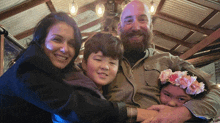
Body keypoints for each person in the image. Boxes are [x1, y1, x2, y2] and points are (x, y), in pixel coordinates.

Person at [0, 12, 157, 123]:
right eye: (57, 39)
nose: (64, 49)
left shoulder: (55, 70)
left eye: (71, 44)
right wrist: (139, 113)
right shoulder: (28, 68)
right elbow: (76, 106)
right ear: (40, 41)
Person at [104, 0, 220, 122]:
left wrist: (183, 112)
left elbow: (216, 93)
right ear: (118, 28)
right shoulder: (104, 62)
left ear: (151, 27)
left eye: (142, 20)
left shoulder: (169, 61)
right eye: (128, 21)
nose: (136, 27)